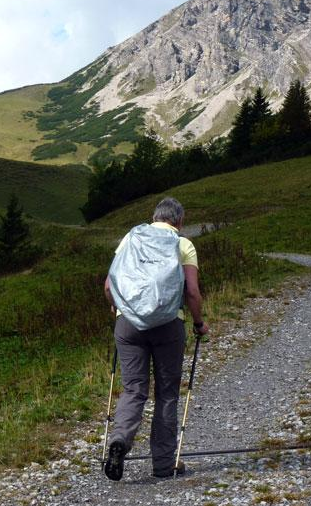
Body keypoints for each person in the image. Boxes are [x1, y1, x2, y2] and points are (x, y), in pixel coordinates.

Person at [103, 196, 208, 481]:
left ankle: (119, 442)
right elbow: (191, 291)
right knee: (166, 394)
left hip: (127, 325)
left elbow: (109, 284)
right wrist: (199, 323)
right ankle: (163, 465)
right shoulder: (183, 244)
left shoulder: (131, 238)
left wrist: (118, 307)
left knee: (134, 389)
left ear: (154, 217)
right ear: (179, 221)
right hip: (168, 326)